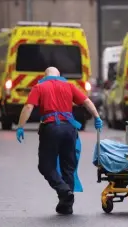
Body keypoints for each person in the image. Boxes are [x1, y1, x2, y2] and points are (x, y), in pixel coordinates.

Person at [16, 67, 103, 215]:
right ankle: (66, 204)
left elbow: (29, 106)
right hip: (70, 130)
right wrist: (97, 117)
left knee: (45, 166)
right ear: (59, 76)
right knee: (68, 167)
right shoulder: (69, 86)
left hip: (51, 128)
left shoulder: (39, 86)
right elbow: (87, 101)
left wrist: (20, 126)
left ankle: (64, 191)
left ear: (45, 76)